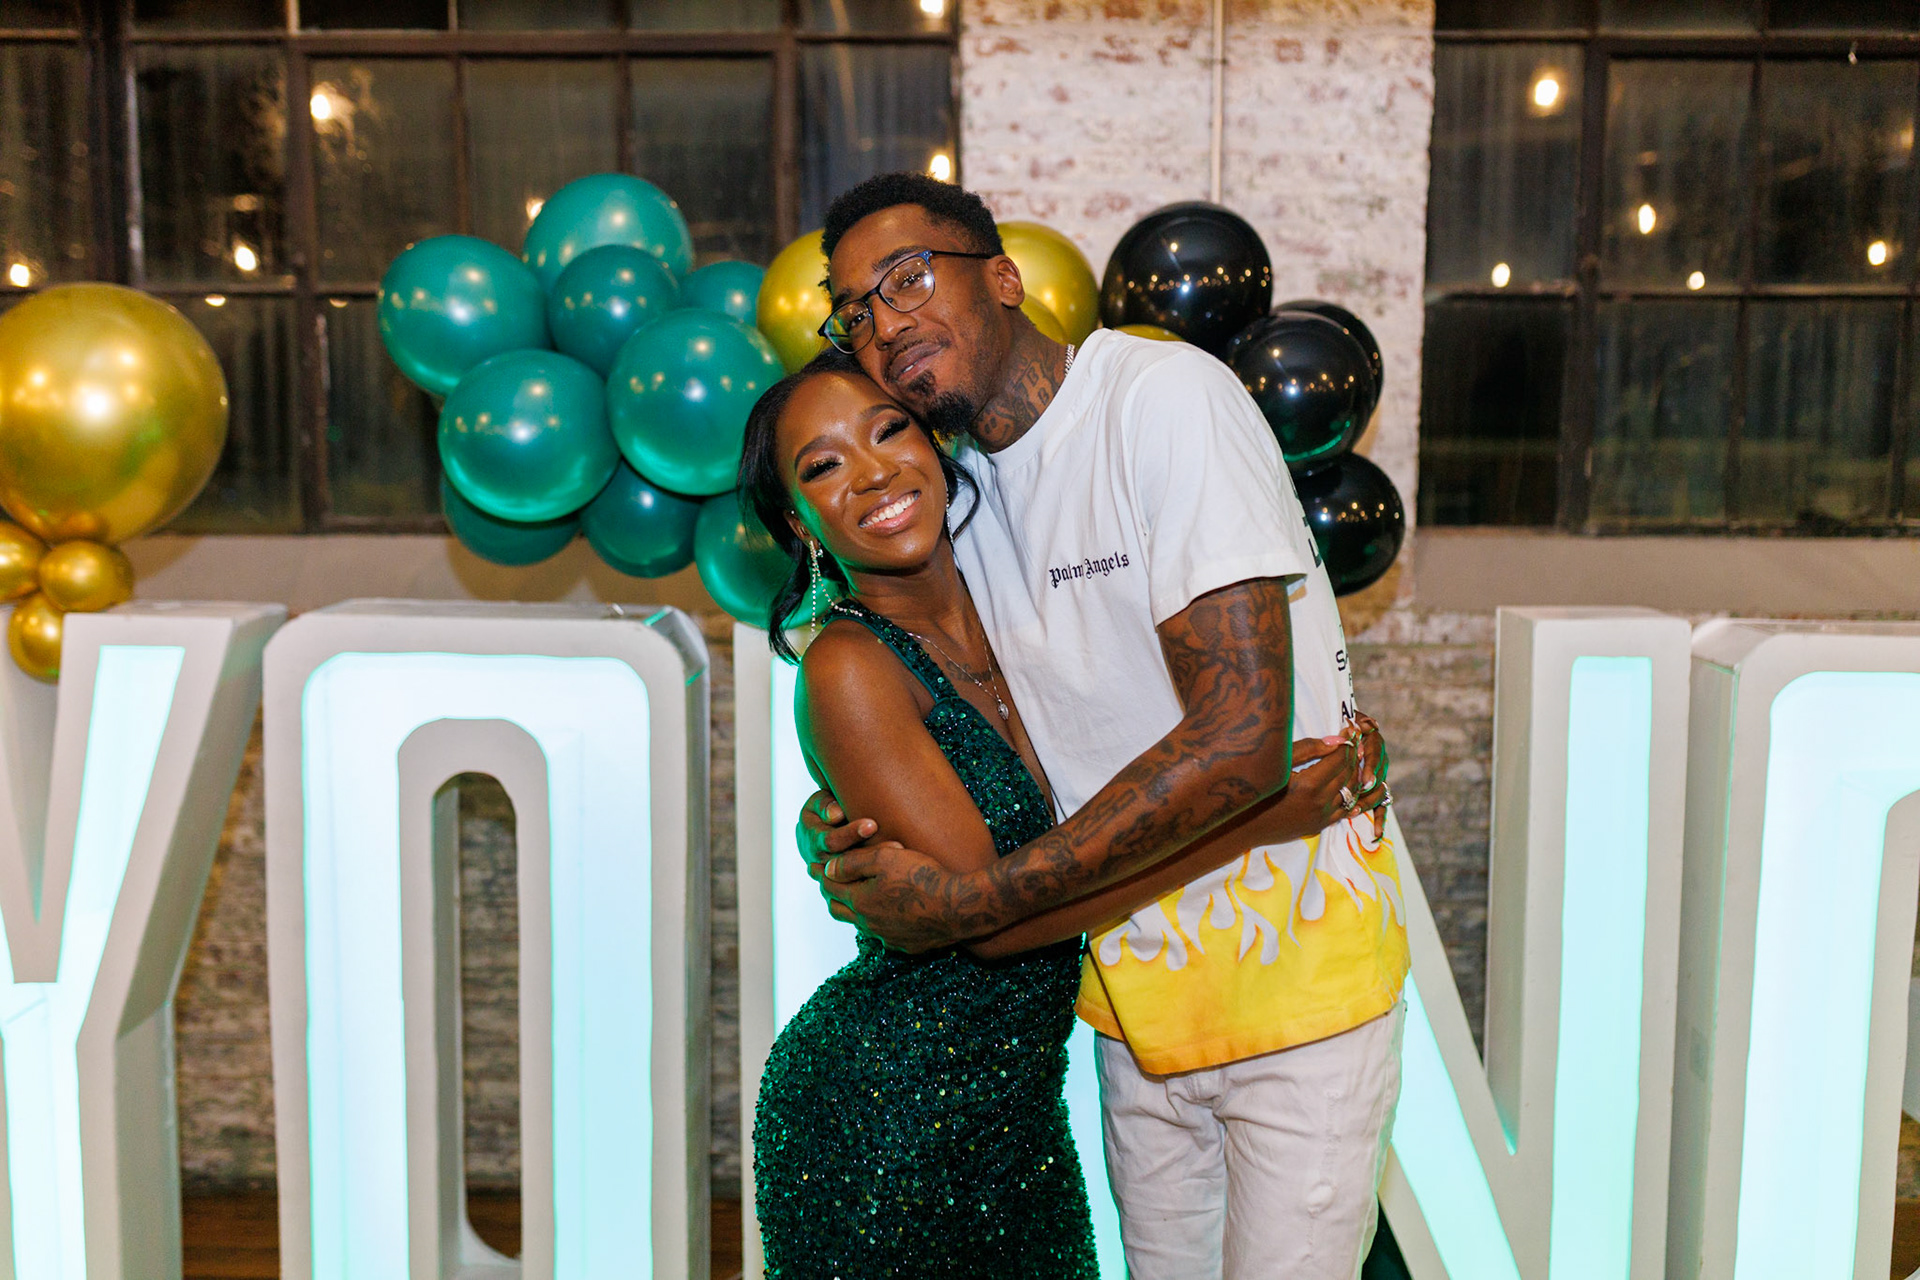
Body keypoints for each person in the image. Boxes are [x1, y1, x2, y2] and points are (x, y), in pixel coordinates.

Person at [796, 172, 1409, 1280]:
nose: (885, 322)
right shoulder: (956, 496)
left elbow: (1239, 738)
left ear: (1005, 277)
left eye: (909, 278)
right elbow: (947, 707)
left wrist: (973, 905)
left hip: (1299, 996)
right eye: (855, 311)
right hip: (1131, 1011)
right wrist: (836, 811)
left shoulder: (1161, 399)